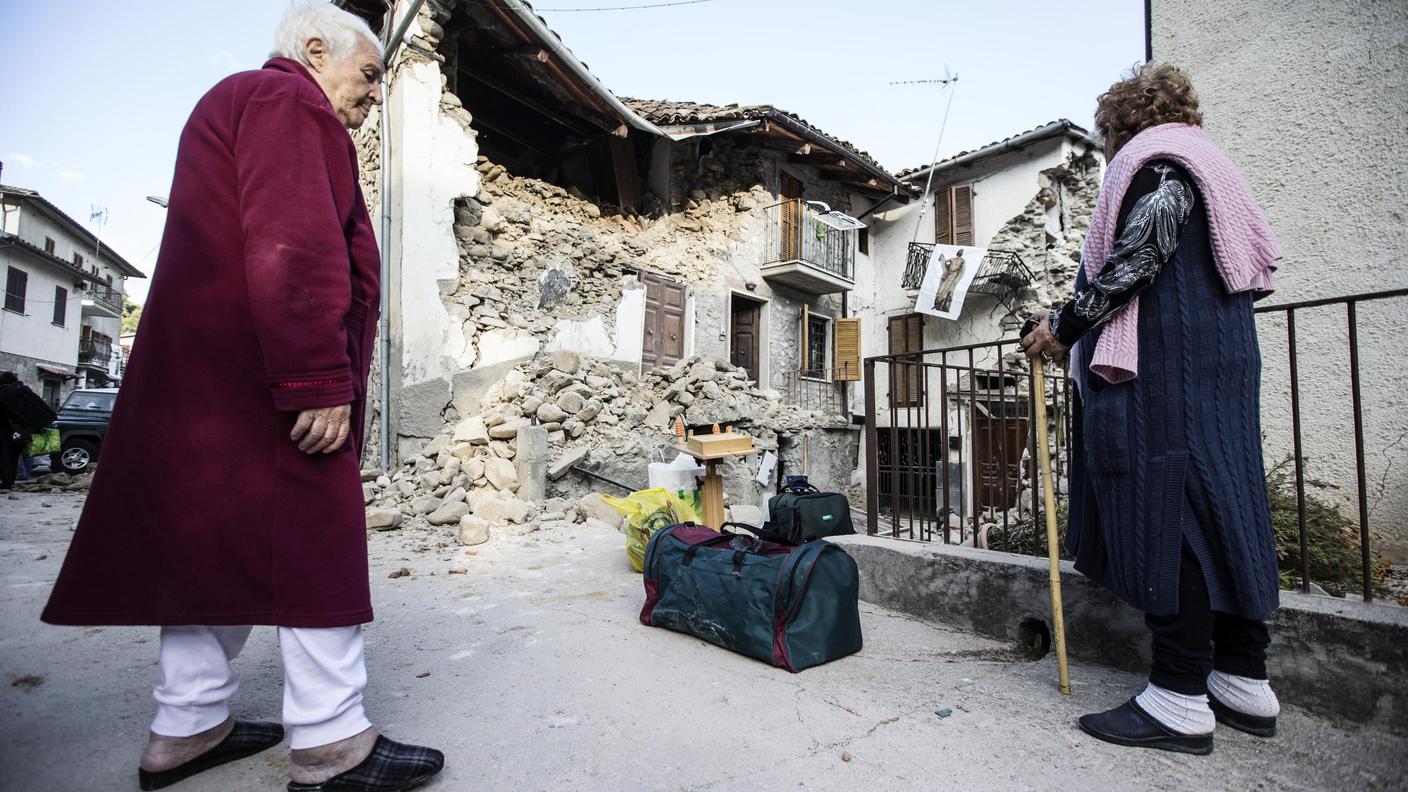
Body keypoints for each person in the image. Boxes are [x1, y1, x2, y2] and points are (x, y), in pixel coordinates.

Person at [41, 3, 445, 790]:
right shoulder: (286, 99)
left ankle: (185, 729)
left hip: (215, 381)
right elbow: (293, 241)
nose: (372, 94)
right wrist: (316, 378)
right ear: (316, 48)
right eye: (368, 73)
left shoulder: (240, 101)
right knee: (312, 548)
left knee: (211, 550)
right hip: (266, 380)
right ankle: (331, 744)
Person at [1021, 63, 1282, 755]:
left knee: (1170, 518)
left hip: (1164, 370)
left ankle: (1177, 698)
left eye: (1107, 134)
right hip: (1219, 365)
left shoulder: (1156, 163)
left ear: (1118, 125)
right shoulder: (1212, 164)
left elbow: (1140, 254)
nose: (1107, 148)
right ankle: (1242, 680)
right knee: (1228, 508)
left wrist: (1064, 326)